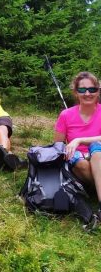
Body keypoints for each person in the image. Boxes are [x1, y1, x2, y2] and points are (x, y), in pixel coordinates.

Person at [54, 71, 101, 217]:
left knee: (96, 148)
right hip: (79, 162)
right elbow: (58, 145)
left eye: (92, 89)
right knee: (79, 161)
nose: (87, 93)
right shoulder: (66, 115)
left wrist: (79, 140)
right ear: (76, 92)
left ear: (98, 91)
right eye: (82, 89)